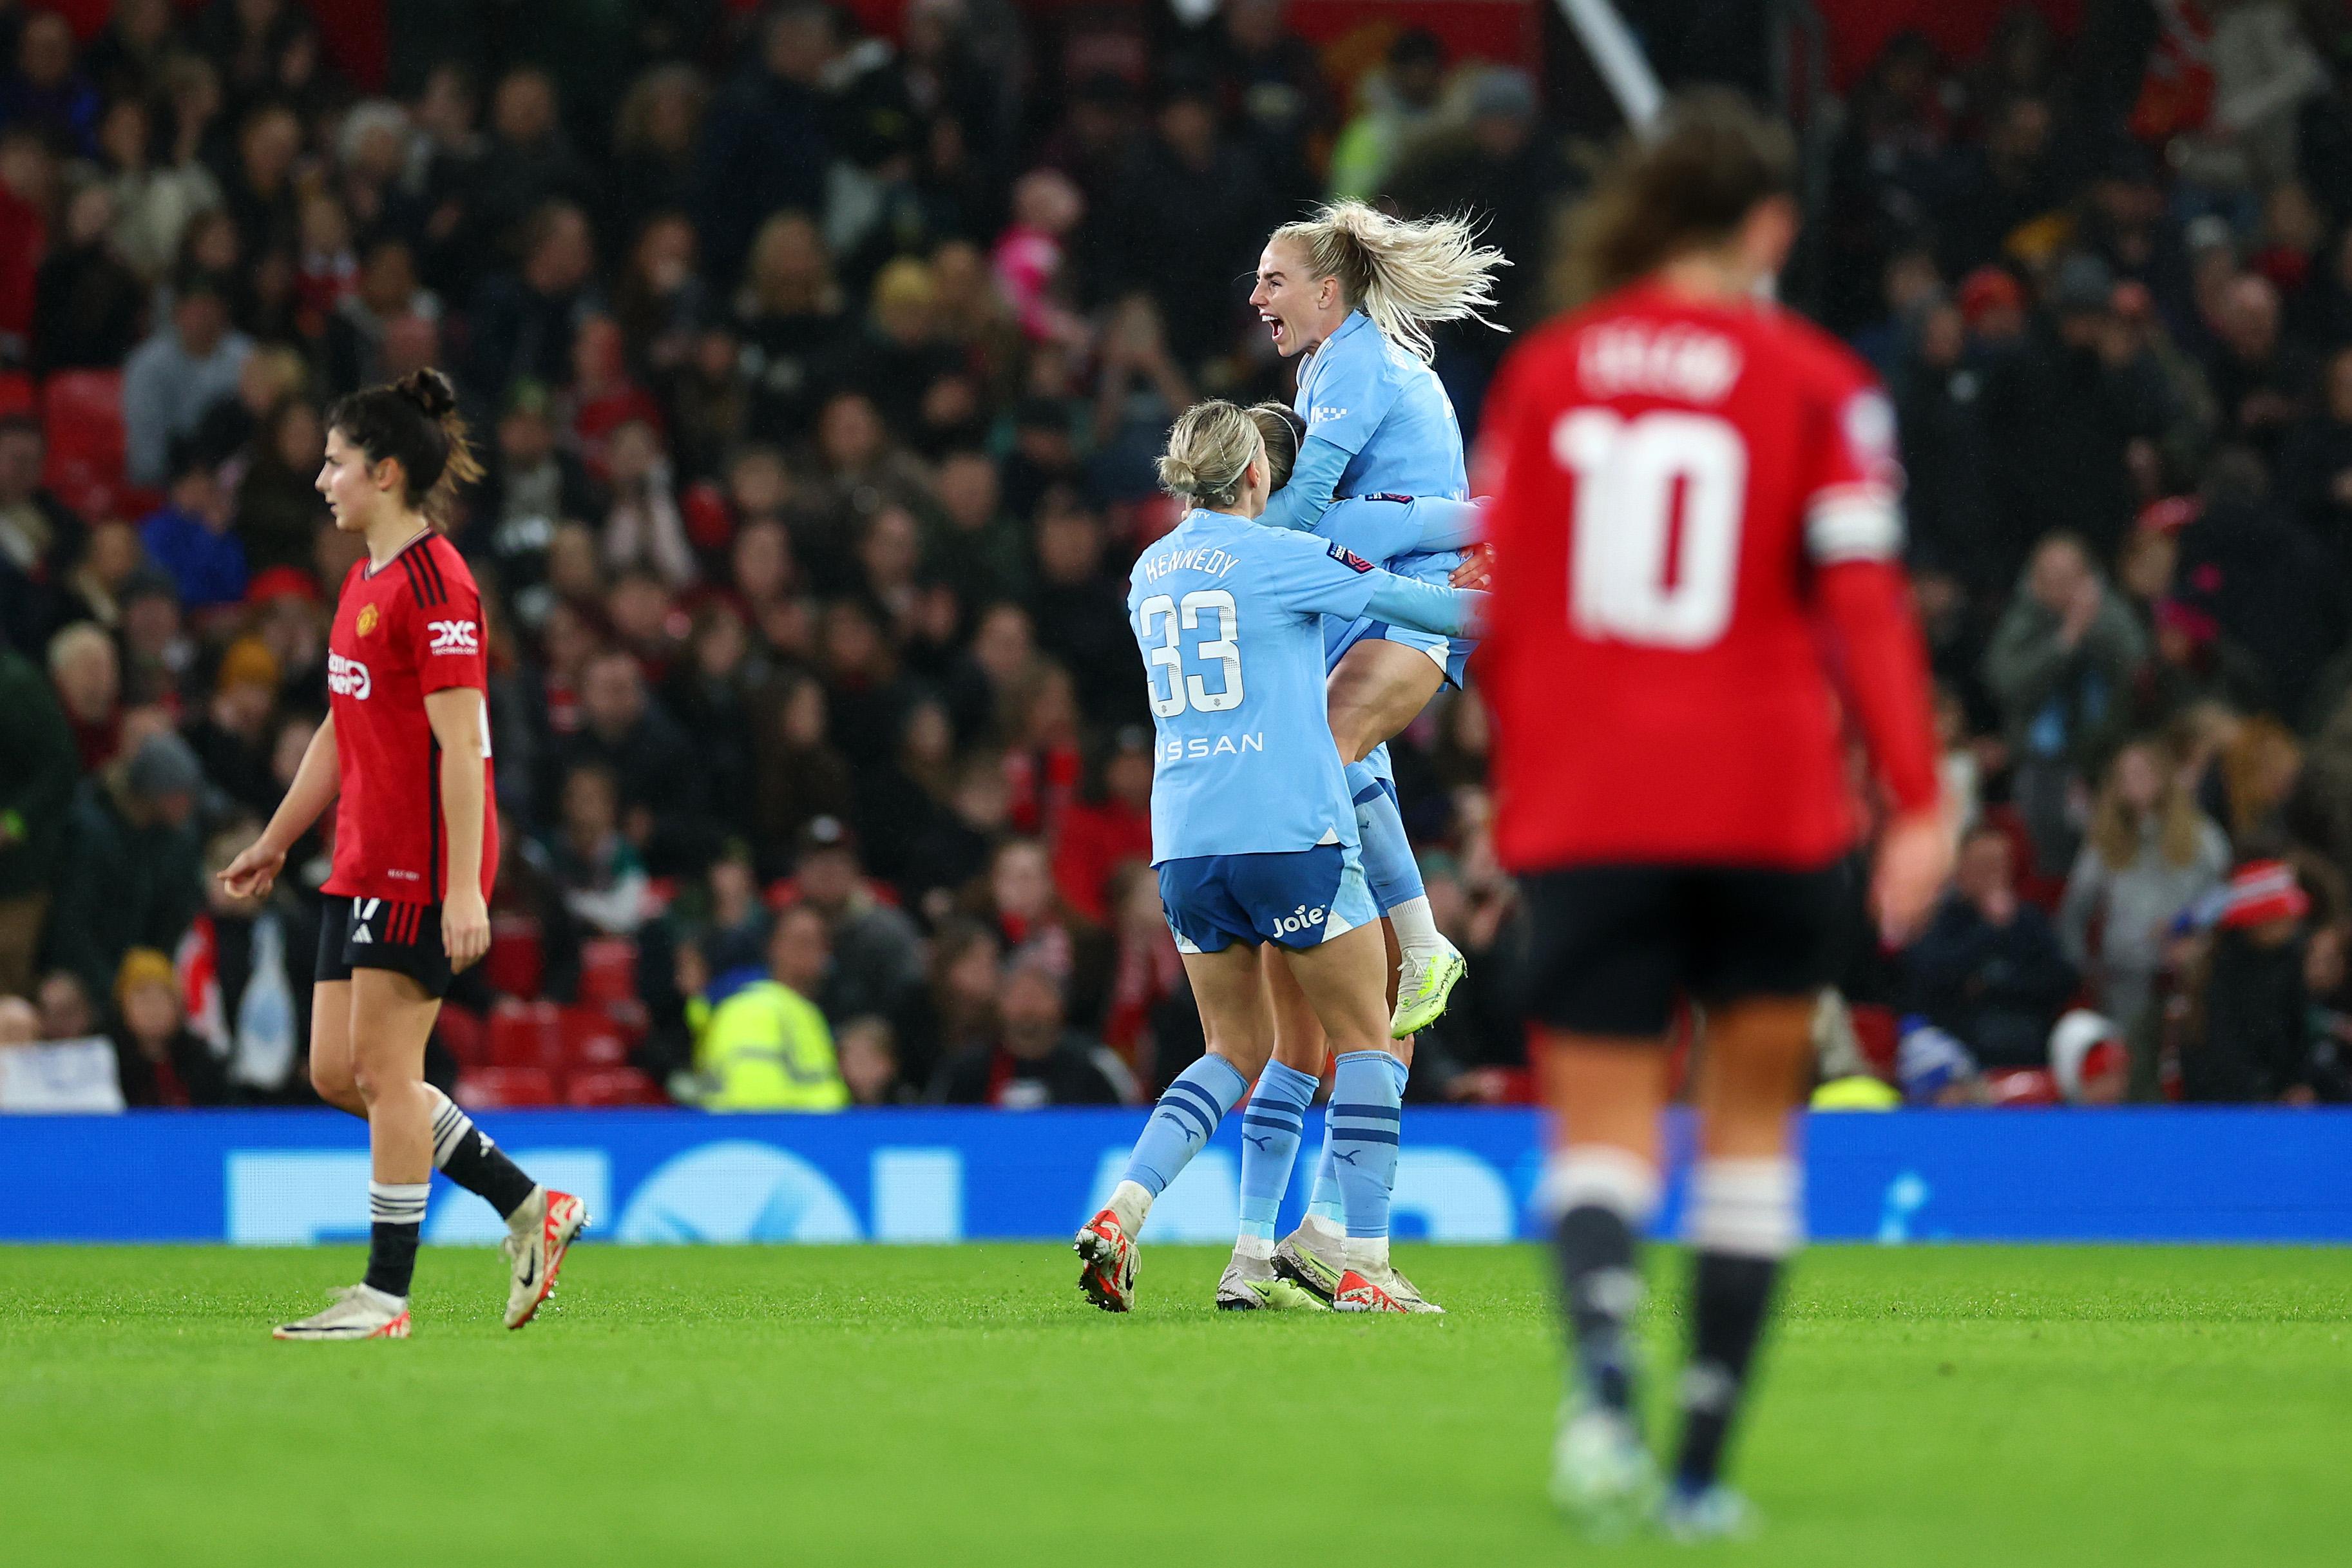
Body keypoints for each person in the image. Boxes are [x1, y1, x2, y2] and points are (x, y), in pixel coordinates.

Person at [1475, 95, 1948, 1537]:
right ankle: (1695, 1465)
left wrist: (1533, 768)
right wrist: (1915, 796)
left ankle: (1601, 1395)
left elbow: (1505, 617)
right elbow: (1860, 602)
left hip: (1596, 807)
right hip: (1765, 804)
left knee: (1603, 1127)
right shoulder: (1810, 377)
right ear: (1766, 228)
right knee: (1749, 1128)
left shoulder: (1548, 378)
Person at [1073, 400, 1483, 1315]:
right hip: (1288, 831)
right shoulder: (1285, 557)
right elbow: (1417, 606)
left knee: (1233, 1049)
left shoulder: (1147, 572)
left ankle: (1122, 1212)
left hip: (1185, 844)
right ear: (1260, 475)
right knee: (1368, 1039)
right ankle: (1364, 1266)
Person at [218, 370, 585, 1342]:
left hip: (421, 861)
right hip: (360, 852)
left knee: (385, 1069)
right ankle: (524, 1204)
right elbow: (343, 729)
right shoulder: (365, 581)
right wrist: (277, 838)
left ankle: (385, 1296)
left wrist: (466, 886)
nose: (322, 481)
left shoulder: (439, 583)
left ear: (384, 473)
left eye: (336, 464)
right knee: (337, 1071)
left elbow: (465, 746)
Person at [1244, 198, 1505, 1040]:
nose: (1257, 297)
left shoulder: (1360, 363)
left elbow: (1321, 500)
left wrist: (1230, 545)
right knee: (1327, 750)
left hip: (1413, 593)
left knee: (1325, 744)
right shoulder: (1327, 367)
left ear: (1328, 292)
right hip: (1373, 582)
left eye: (1273, 280)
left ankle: (1404, 938)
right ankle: (1406, 939)